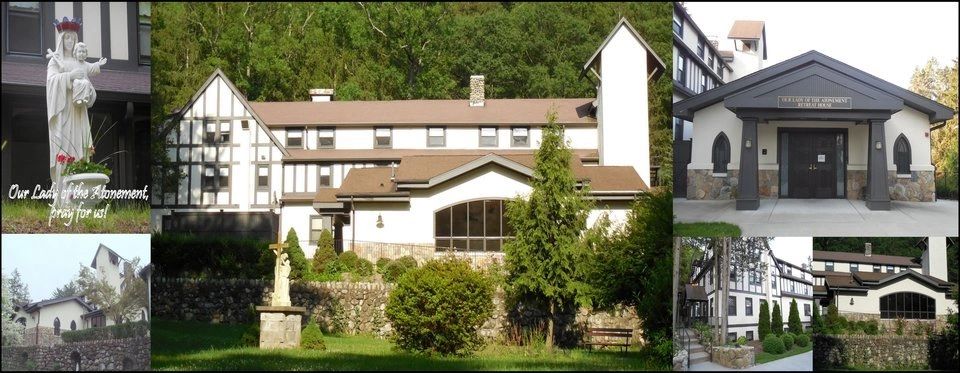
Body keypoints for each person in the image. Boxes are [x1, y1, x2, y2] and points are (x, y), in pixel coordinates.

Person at [69, 42, 107, 106]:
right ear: (75, 53)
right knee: (77, 82)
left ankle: (85, 98)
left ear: (86, 54)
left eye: (83, 52)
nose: (81, 53)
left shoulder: (86, 64)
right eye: (79, 51)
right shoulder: (72, 64)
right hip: (75, 83)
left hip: (84, 82)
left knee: (86, 83)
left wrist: (99, 64)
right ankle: (77, 99)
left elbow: (92, 67)